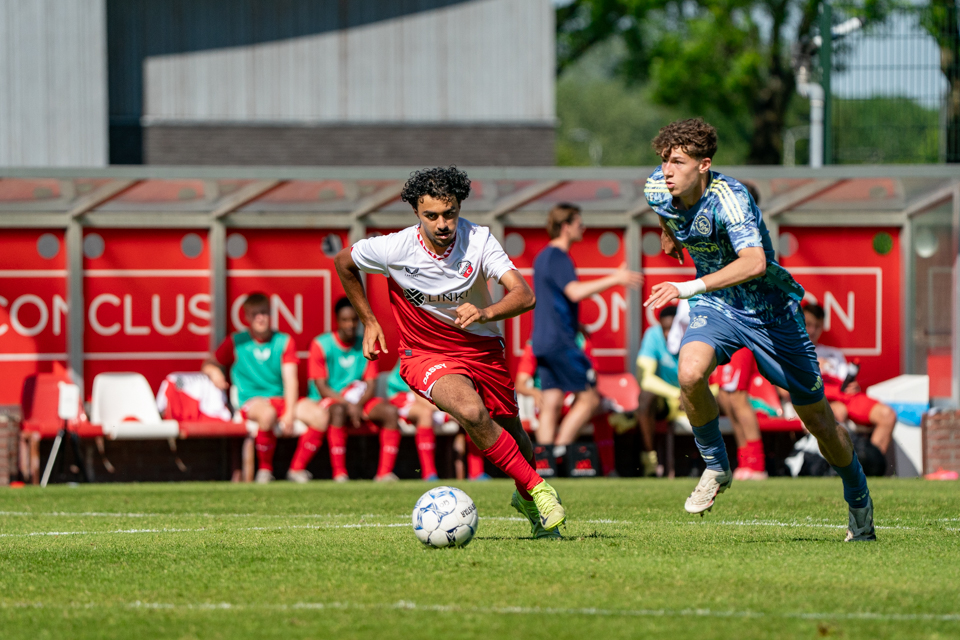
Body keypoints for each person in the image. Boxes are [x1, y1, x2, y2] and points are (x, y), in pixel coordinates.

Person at [643, 118, 875, 541]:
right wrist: (668, 234)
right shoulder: (658, 189)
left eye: (677, 162)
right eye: (664, 161)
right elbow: (663, 210)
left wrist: (686, 286)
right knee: (690, 373)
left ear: (705, 165)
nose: (667, 171)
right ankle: (716, 465)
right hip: (717, 306)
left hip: (771, 314)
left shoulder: (731, 198)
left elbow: (755, 263)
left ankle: (858, 493)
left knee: (819, 420)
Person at [333, 165, 565, 538]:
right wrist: (369, 321)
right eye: (432, 215)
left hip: (481, 348)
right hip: (424, 353)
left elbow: (525, 294)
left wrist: (485, 311)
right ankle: (539, 489)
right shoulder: (395, 247)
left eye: (450, 213)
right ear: (416, 214)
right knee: (471, 411)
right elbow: (344, 262)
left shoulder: (479, 240)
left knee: (515, 435)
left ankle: (525, 495)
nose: (443, 223)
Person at [531, 203, 643, 466]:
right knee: (591, 397)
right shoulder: (559, 256)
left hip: (544, 340)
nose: (584, 227)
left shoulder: (542, 257)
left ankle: (543, 465)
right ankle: (560, 450)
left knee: (552, 401)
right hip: (560, 341)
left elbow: (553, 301)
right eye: (580, 222)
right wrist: (616, 278)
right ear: (566, 226)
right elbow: (574, 292)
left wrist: (575, 323)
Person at [203, 292, 317, 484]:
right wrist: (214, 372)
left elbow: (291, 380)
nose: (260, 317)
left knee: (319, 416)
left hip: (280, 399)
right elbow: (209, 363)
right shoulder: (236, 341)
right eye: (255, 314)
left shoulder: (284, 341)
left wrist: (289, 412)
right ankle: (265, 470)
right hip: (252, 401)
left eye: (264, 312)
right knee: (267, 415)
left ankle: (297, 469)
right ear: (246, 317)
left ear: (270, 313)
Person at [295, 297, 402, 483]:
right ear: (337, 320)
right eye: (345, 320)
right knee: (338, 410)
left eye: (354, 320)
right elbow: (322, 388)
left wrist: (358, 404)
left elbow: (371, 384)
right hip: (330, 401)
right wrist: (350, 404)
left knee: (391, 412)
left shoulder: (367, 344)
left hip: (359, 401)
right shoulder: (320, 344)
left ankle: (384, 474)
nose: (350, 324)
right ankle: (340, 474)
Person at [804, 303, 896, 461]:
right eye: (808, 325)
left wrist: (854, 386)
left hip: (847, 397)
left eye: (817, 326)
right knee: (837, 413)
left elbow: (846, 380)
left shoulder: (834, 353)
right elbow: (785, 389)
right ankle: (840, 470)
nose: (812, 330)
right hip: (821, 399)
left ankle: (870, 465)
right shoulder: (794, 352)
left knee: (887, 415)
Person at [516, 337, 617, 477]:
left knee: (599, 408)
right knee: (552, 399)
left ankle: (607, 470)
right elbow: (520, 383)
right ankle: (548, 460)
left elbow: (592, 376)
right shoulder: (535, 343)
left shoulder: (581, 341)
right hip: (546, 402)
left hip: (573, 402)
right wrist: (535, 393)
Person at [636, 305, 679, 477]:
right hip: (670, 399)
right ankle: (650, 462)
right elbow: (645, 379)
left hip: (698, 397)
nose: (668, 334)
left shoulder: (695, 337)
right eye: (665, 329)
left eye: (672, 329)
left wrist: (691, 395)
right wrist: (677, 394)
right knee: (645, 398)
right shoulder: (653, 335)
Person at [714, 348, 768, 480]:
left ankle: (757, 464)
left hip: (738, 334)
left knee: (737, 395)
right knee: (724, 396)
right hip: (721, 336)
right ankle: (745, 461)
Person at [386, 360, 440, 481]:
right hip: (400, 396)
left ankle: (475, 473)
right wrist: (446, 409)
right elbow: (416, 393)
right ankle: (429, 472)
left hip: (428, 401)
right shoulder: (413, 354)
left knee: (465, 417)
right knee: (425, 414)